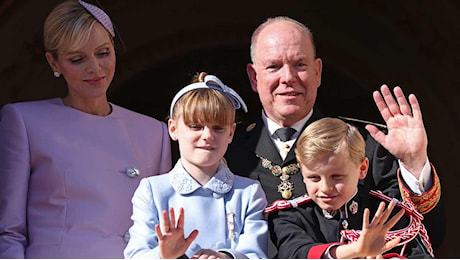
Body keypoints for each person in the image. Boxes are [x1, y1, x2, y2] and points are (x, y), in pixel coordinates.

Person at [224, 16, 444, 255]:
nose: (288, 77)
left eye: (300, 65)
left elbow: (423, 234)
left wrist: (414, 164)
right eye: (273, 66)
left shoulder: (364, 144)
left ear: (317, 72)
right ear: (254, 77)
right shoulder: (226, 151)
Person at [0, 1, 171, 258]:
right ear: (54, 63)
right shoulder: (24, 121)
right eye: (77, 59)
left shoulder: (154, 133)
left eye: (103, 53)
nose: (94, 67)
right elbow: (9, 232)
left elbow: (163, 233)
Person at [123, 72, 268, 259]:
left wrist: (226, 257)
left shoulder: (248, 192)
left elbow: (257, 254)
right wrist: (164, 254)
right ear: (173, 129)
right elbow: (136, 254)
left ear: (231, 133)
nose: (207, 136)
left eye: (218, 128)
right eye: (196, 127)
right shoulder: (153, 191)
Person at [268, 117, 433, 259]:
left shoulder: (387, 213)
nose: (325, 188)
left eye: (337, 177)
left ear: (362, 169)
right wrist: (356, 250)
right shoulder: (288, 216)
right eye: (314, 178)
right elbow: (296, 253)